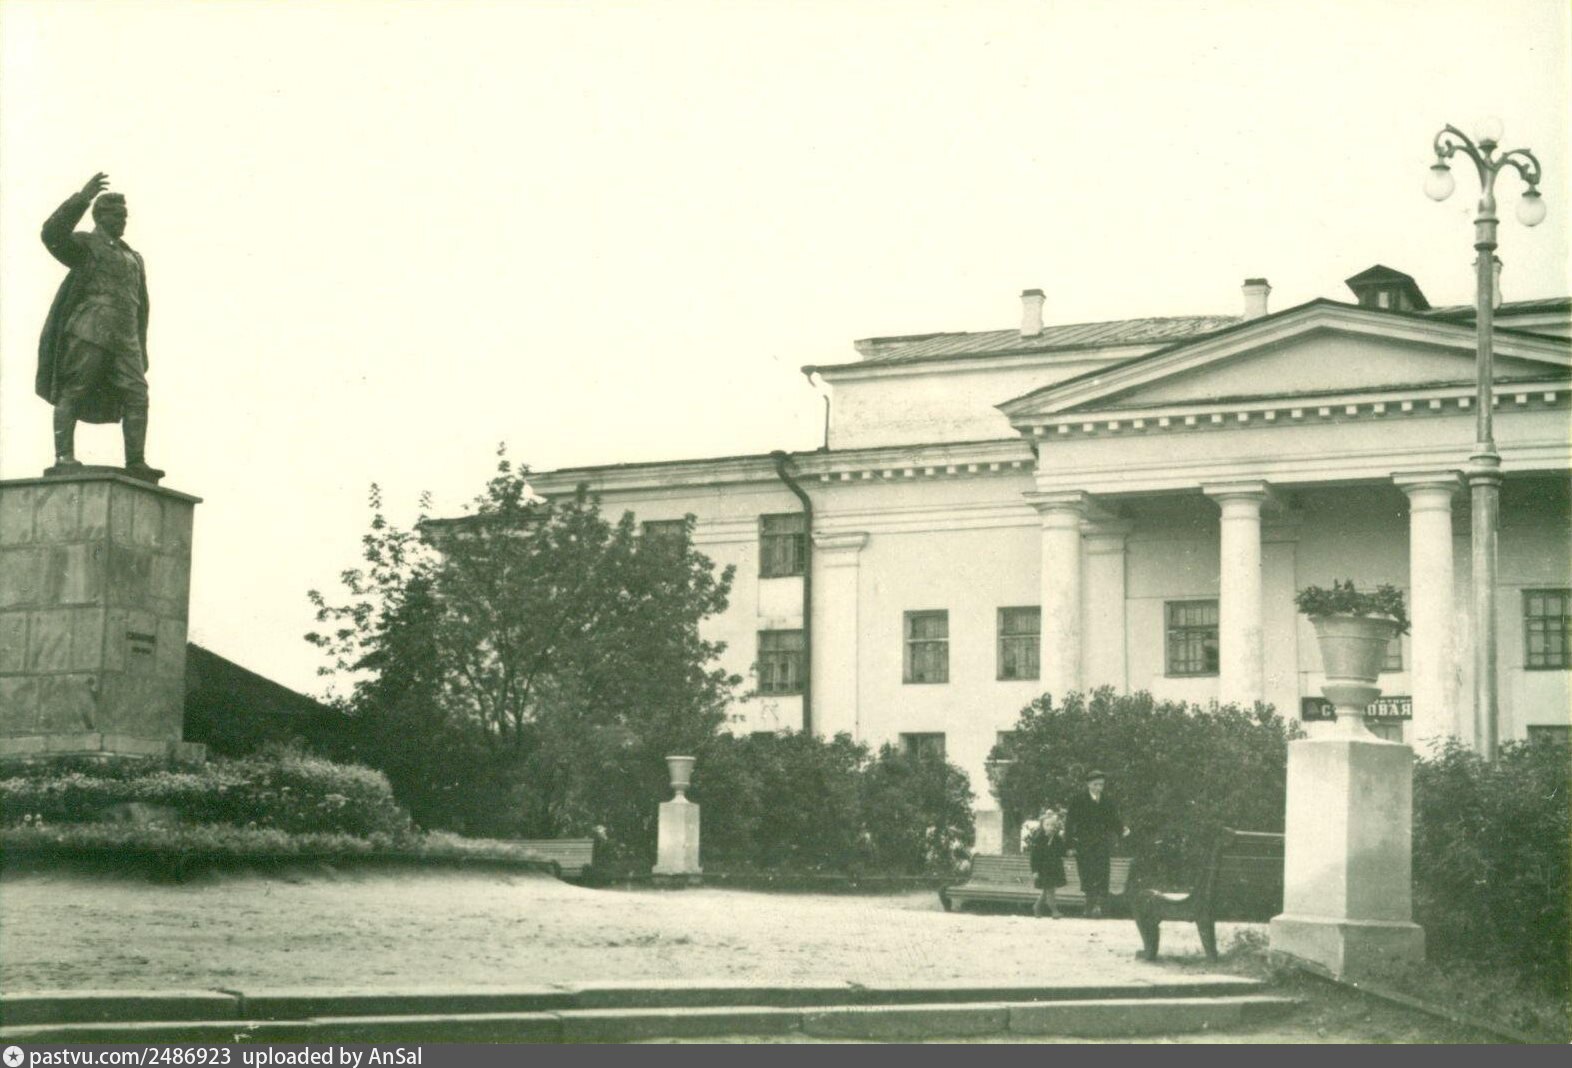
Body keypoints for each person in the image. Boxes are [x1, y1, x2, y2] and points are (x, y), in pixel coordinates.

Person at [37, 172, 162, 481]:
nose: (122, 221)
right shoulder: (85, 245)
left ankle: (137, 462)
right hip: (89, 330)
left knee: (137, 394)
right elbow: (52, 234)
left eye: (124, 216)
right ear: (100, 216)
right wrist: (83, 197)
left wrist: (139, 343)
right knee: (75, 389)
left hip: (126, 338)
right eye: (116, 215)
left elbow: (139, 306)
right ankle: (64, 457)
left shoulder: (133, 257)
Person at [1065, 769, 1128, 918]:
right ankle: (1089, 906)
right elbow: (1070, 823)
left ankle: (1099, 907)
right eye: (1095, 784)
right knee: (1087, 873)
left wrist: (1122, 829)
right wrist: (1069, 845)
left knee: (1102, 872)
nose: (1099, 788)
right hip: (1083, 843)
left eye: (1101, 785)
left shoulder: (1106, 800)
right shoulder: (1078, 800)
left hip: (1101, 843)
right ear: (1088, 784)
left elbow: (1113, 819)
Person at [1026, 806, 1068, 919]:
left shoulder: (1057, 839)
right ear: (1043, 826)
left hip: (1055, 868)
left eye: (1053, 825)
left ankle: (1037, 906)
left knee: (1047, 890)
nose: (1050, 827)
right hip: (1043, 869)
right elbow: (1034, 857)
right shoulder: (1039, 839)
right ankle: (1054, 911)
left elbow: (1062, 852)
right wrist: (1034, 871)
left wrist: (1068, 851)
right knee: (1050, 890)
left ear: (1056, 826)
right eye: (1047, 825)